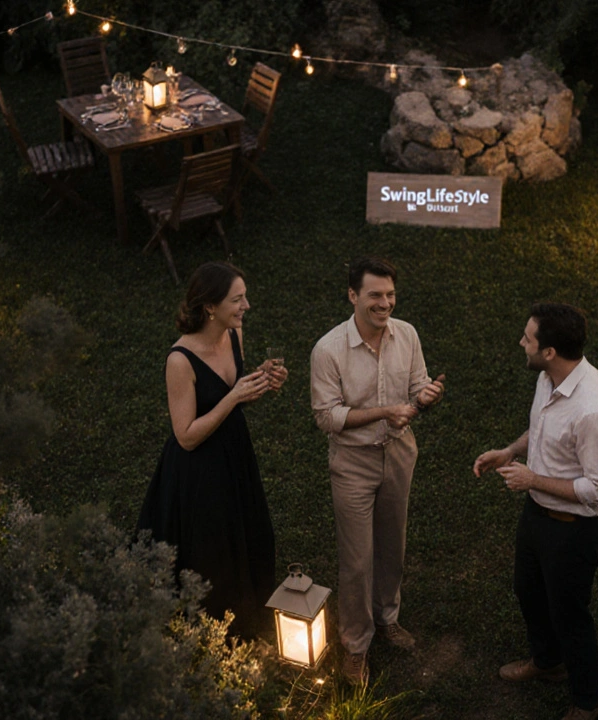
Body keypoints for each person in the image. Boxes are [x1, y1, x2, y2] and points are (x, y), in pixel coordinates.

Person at [472, 303, 598, 720]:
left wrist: (533, 480)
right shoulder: (548, 377)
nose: (522, 342)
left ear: (550, 351)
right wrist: (510, 452)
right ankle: (547, 662)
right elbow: (540, 429)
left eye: (528, 338)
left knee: (569, 613)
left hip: (575, 528)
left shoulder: (592, 411)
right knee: (528, 590)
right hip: (538, 514)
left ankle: (586, 702)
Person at [310, 256, 445, 684]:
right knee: (356, 558)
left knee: (393, 542)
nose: (384, 303)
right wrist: (386, 411)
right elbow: (326, 417)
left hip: (399, 454)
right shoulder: (328, 349)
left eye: (389, 295)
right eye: (374, 295)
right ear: (353, 296)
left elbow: (416, 386)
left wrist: (426, 396)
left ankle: (387, 616)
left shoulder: (407, 334)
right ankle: (355, 644)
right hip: (353, 462)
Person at [137, 261, 288, 640]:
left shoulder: (233, 334)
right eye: (237, 299)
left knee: (247, 532)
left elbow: (231, 397)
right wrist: (235, 396)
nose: (246, 306)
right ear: (210, 307)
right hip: (198, 468)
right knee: (212, 551)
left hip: (234, 452)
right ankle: (213, 632)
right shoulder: (179, 360)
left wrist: (258, 381)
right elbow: (186, 435)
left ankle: (247, 615)